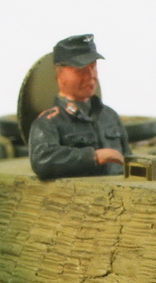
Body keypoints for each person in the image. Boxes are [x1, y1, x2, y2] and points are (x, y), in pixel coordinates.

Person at [29, 35, 128, 180]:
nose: (90, 75)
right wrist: (93, 156)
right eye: (81, 70)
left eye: (93, 67)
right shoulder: (49, 122)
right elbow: (42, 160)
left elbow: (128, 158)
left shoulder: (109, 116)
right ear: (60, 75)